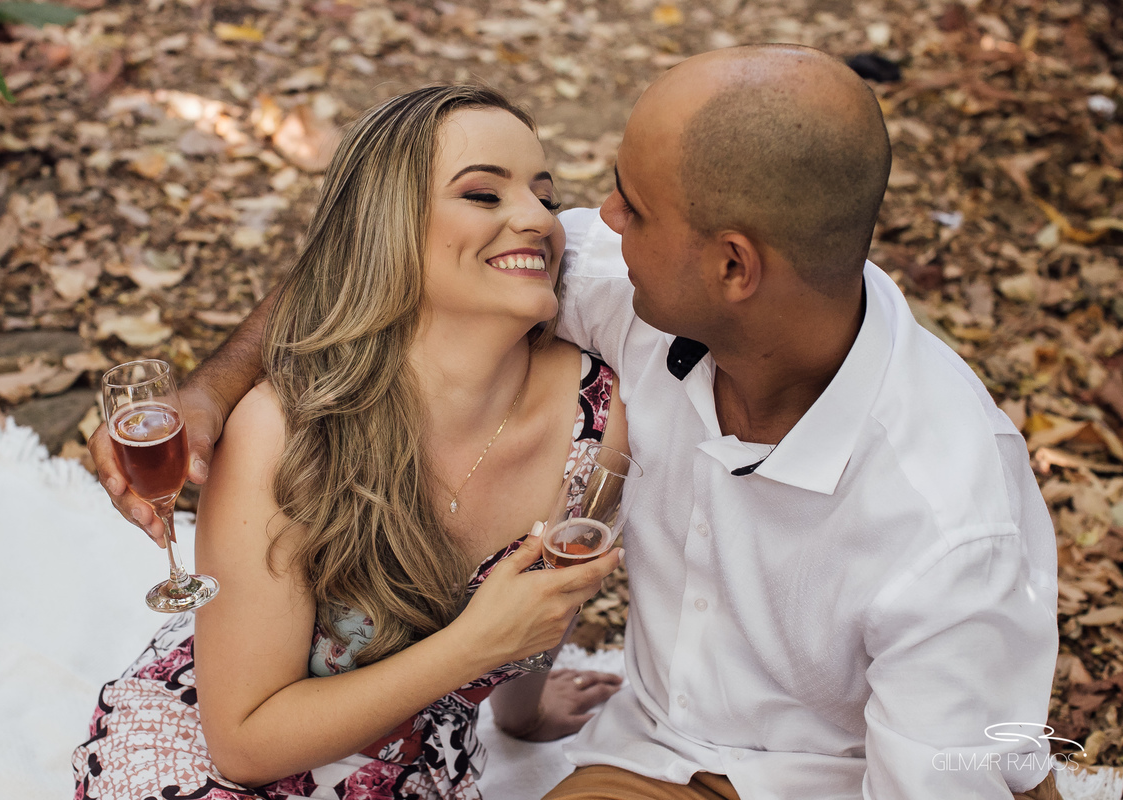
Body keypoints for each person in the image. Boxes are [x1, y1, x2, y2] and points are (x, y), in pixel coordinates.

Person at [91, 46, 1063, 800]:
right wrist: (213, 391)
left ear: (733, 266)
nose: (578, 224)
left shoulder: (947, 521)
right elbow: (378, 243)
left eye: (626, 206)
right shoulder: (622, 290)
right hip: (658, 754)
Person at [74, 85, 628, 800]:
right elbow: (243, 744)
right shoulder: (287, 428)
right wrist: (474, 647)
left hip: (407, 764)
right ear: (388, 229)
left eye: (545, 197)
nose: (538, 220)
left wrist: (522, 713)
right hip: (218, 756)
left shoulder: (598, 417)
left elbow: (552, 598)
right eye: (484, 195)